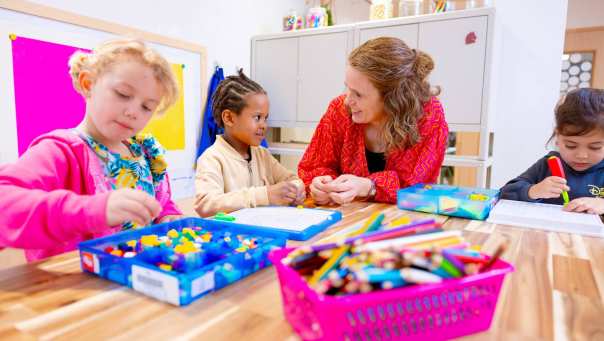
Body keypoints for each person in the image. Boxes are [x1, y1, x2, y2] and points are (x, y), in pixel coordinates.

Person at [0, 39, 182, 261]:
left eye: (147, 107)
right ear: (88, 83)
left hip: (137, 282)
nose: (134, 111)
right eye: (123, 94)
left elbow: (160, 203)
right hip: (76, 289)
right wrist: (93, 210)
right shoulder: (60, 151)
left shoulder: (145, 152)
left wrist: (167, 217)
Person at [298, 37, 448, 205]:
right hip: (348, 218)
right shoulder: (339, 110)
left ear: (392, 98)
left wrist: (369, 186)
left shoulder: (428, 115)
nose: (348, 101)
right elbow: (314, 166)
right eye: (348, 88)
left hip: (404, 221)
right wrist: (322, 185)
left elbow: (417, 186)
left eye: (358, 94)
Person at [194, 69, 305, 217]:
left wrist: (295, 191)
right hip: (231, 237)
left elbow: (293, 179)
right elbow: (206, 204)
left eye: (266, 118)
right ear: (229, 118)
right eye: (257, 117)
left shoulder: (262, 154)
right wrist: (264, 195)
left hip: (263, 235)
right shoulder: (212, 158)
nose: (264, 125)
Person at [501, 88, 604, 214]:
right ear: (557, 137)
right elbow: (506, 192)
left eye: (595, 147)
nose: (581, 156)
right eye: (571, 145)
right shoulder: (549, 163)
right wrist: (533, 191)